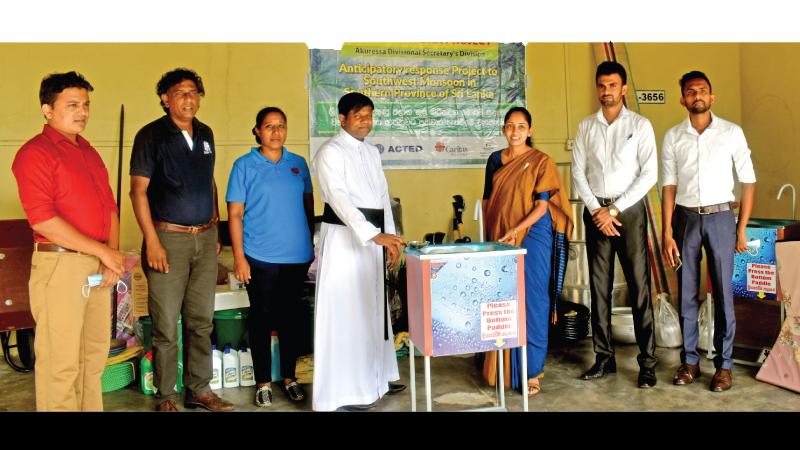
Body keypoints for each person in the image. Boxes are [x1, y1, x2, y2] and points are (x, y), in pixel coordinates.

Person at [11, 71, 125, 411]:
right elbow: (43, 219)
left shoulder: (88, 152)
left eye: (86, 105)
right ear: (47, 109)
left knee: (93, 358)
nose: (83, 112)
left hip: (97, 265)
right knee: (61, 363)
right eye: (72, 105)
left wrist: (111, 257)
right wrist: (103, 252)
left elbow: (110, 209)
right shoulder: (35, 153)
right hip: (60, 265)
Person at [130, 68, 233, 412]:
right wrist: (152, 241)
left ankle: (199, 389)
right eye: (180, 93)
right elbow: (138, 191)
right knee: (165, 325)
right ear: (165, 98)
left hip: (204, 238)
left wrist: (215, 226)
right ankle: (167, 396)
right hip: (167, 239)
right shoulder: (151, 135)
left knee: (201, 321)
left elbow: (210, 182)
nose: (189, 99)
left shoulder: (206, 133)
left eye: (194, 92)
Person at [311, 92, 406, 411]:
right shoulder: (330, 152)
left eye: (369, 115)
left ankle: (375, 381)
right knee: (345, 312)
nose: (366, 121)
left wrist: (390, 237)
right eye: (359, 115)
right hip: (344, 239)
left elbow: (382, 196)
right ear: (341, 119)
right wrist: (372, 234)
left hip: (373, 239)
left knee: (372, 311)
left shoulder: (371, 153)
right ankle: (342, 393)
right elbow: (339, 200)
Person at [661, 70, 756, 392]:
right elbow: (669, 186)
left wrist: (740, 228)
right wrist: (666, 233)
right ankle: (689, 362)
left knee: (723, 296)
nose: (697, 96)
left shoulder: (731, 133)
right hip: (685, 219)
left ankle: (724, 366)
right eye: (691, 91)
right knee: (686, 292)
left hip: (721, 219)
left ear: (712, 97)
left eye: (702, 91)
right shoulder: (674, 136)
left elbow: (748, 181)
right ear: (682, 99)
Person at [571, 61, 659, 388]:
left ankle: (647, 363)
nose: (606, 92)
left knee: (639, 286)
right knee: (599, 289)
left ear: (623, 89)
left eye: (612, 86)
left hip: (629, 211)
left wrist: (615, 209)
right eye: (602, 86)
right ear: (597, 88)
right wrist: (597, 210)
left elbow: (649, 173)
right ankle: (604, 359)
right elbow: (578, 172)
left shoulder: (640, 124)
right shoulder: (586, 127)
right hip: (595, 213)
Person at [481, 107, 573, 396]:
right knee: (502, 299)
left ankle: (531, 372)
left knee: (533, 300)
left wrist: (517, 230)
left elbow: (542, 206)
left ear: (530, 130)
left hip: (533, 233)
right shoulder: (495, 160)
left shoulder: (540, 162)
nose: (515, 131)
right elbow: (487, 202)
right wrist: (490, 238)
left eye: (521, 126)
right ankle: (503, 368)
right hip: (501, 236)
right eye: (510, 126)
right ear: (503, 129)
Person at [226, 107, 314, 407]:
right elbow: (235, 214)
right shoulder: (244, 166)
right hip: (259, 256)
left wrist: (311, 249)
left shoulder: (298, 164)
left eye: (281, 126)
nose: (275, 131)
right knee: (261, 319)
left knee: (291, 319)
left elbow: (307, 207)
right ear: (257, 131)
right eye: (268, 126)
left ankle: (289, 378)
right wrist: (239, 257)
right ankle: (263, 381)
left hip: (296, 257)